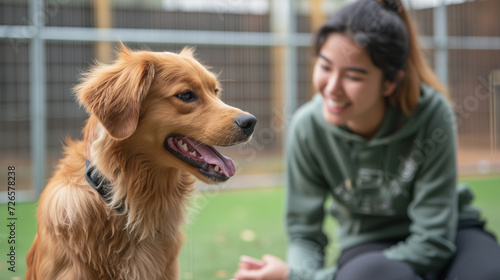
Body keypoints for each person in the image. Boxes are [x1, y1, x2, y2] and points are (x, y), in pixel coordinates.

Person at [233, 0, 500, 279]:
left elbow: (433, 240)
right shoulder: (307, 127)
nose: (332, 88)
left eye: (353, 76)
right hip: (368, 246)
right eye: (325, 67)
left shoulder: (431, 113)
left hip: (452, 234)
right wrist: (299, 272)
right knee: (371, 272)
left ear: (389, 83)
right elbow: (305, 234)